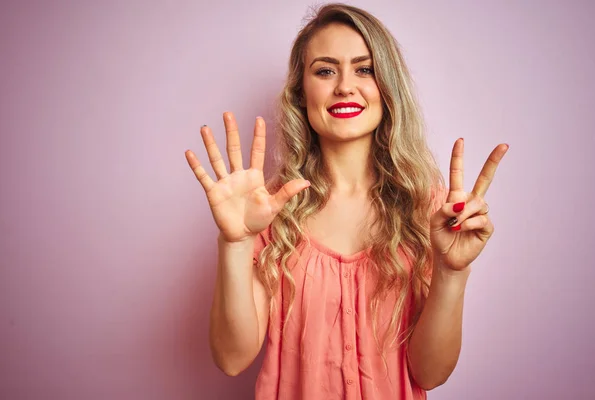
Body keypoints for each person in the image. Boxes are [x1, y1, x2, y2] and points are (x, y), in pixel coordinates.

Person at [185, 3, 508, 399]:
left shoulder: (433, 214)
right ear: (301, 94)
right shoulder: (267, 211)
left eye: (364, 69)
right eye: (324, 70)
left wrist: (452, 272)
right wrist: (234, 243)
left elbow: (431, 373)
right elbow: (231, 359)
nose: (344, 86)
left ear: (387, 87)